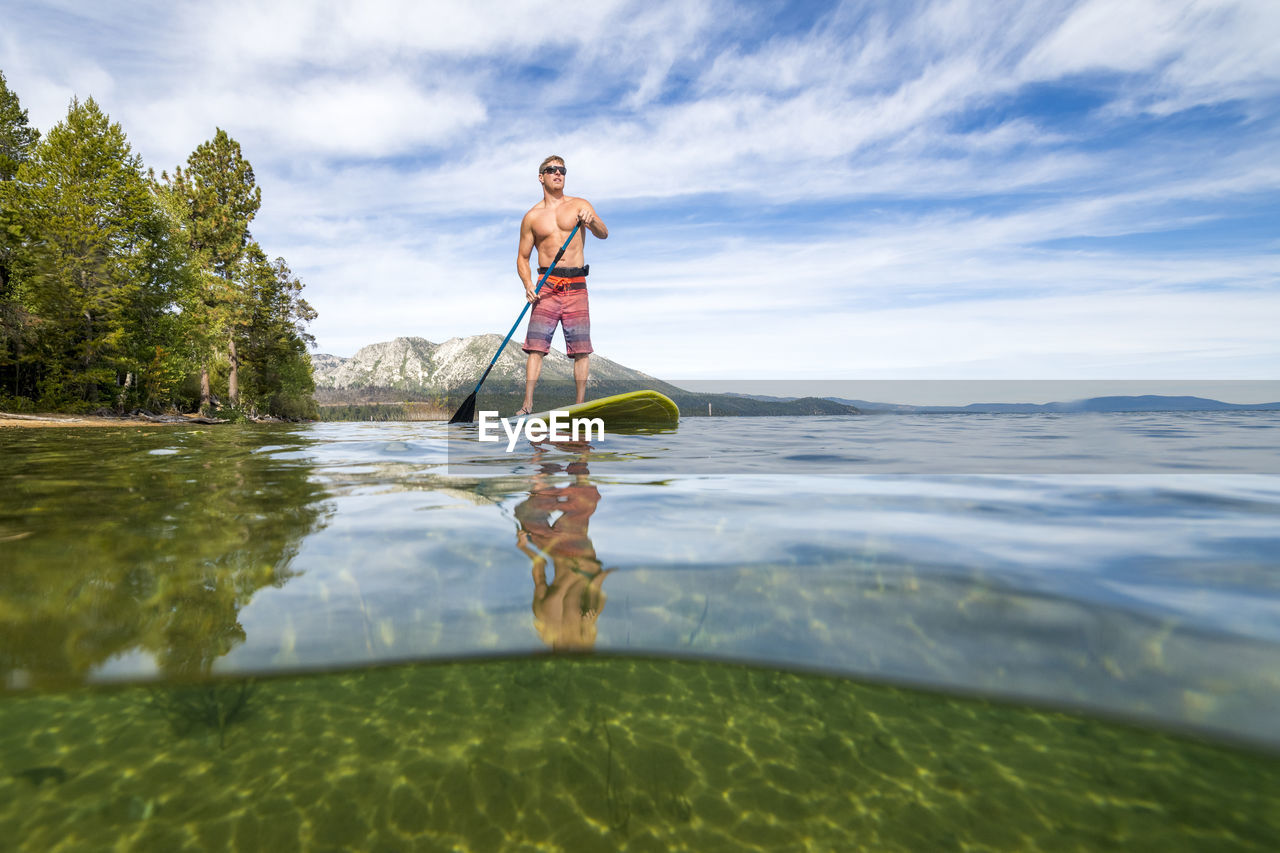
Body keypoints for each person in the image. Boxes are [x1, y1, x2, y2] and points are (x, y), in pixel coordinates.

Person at [515, 155, 608, 416]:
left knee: (581, 349)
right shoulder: (532, 217)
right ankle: (527, 406)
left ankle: (579, 408)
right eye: (551, 170)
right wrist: (527, 284)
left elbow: (603, 233)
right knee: (535, 347)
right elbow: (522, 258)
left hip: (576, 283)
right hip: (547, 285)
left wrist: (592, 220)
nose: (558, 173)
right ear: (541, 177)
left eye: (562, 170)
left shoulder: (580, 205)